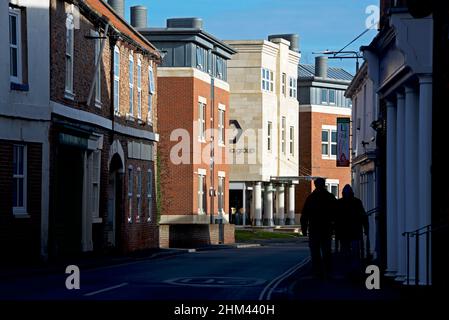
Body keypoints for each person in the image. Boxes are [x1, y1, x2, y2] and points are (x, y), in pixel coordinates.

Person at [300, 177, 337, 279]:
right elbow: (336, 213)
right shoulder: (330, 197)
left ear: (316, 185)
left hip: (314, 228)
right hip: (326, 228)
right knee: (326, 251)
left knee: (315, 251)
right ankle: (327, 270)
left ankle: (317, 271)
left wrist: (304, 228)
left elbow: (305, 214)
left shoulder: (311, 198)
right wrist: (335, 227)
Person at [335, 184, 369, 278]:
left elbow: (335, 218)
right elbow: (363, 216)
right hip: (353, 231)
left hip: (346, 232)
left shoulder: (340, 203)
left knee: (347, 251)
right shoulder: (356, 202)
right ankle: (353, 269)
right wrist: (366, 228)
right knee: (353, 252)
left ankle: (348, 270)